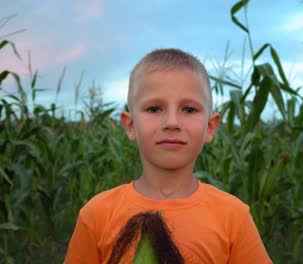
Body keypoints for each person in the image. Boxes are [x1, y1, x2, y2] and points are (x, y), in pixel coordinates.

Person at [64, 48, 272, 264]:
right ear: (130, 125)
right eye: (154, 109)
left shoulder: (234, 217)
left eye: (189, 110)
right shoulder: (97, 215)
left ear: (210, 127)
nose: (172, 122)